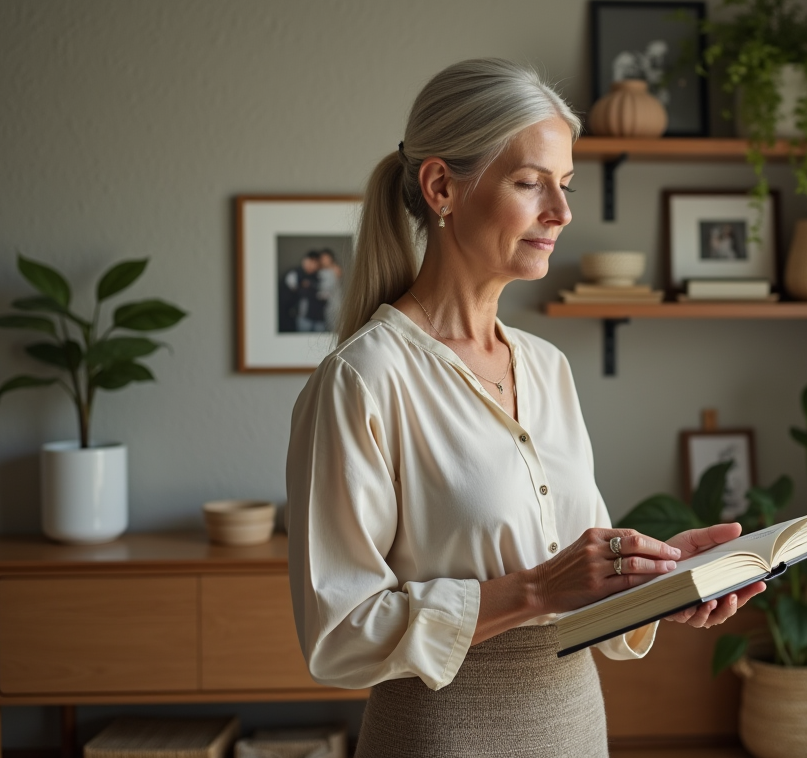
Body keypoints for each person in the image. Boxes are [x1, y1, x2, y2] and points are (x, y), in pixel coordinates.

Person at [285, 58, 765, 758]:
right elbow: (339, 635)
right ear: (442, 187)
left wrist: (664, 579)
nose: (561, 213)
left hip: (574, 728)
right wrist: (534, 591)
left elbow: (580, 581)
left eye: (565, 185)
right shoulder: (363, 380)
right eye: (530, 182)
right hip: (441, 738)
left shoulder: (547, 367)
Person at [279, 251, 319, 332]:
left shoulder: (314, 277)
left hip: (307, 316)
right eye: (311, 262)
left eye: (316, 264)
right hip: (287, 314)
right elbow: (295, 291)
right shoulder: (294, 274)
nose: (312, 266)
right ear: (304, 261)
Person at [315, 248, 342, 333]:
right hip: (322, 303)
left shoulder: (336, 269)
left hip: (335, 301)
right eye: (323, 258)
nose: (325, 260)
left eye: (327, 258)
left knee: (335, 323)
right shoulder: (318, 271)